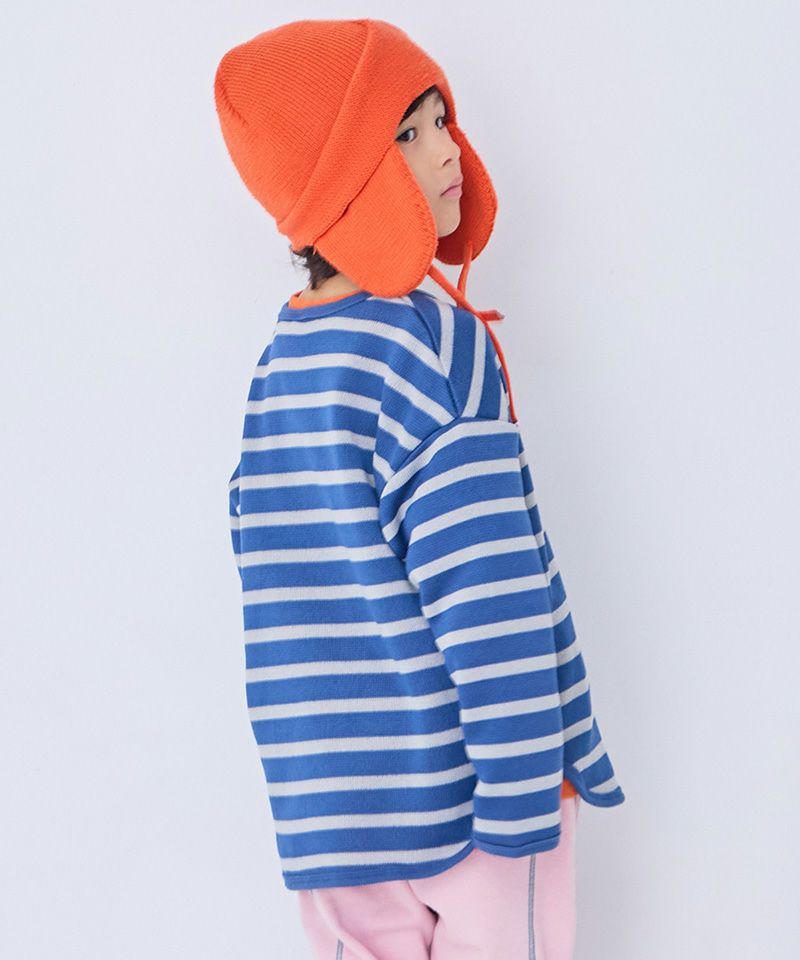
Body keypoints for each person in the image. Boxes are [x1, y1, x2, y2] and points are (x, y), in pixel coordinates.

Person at [215, 18, 625, 959]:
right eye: (407, 133)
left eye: (442, 119)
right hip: (476, 797)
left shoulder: (282, 366)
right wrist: (523, 791)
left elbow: (272, 579)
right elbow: (488, 587)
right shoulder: (433, 344)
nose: (446, 151)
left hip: (331, 816)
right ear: (342, 181)